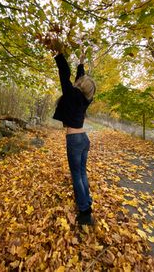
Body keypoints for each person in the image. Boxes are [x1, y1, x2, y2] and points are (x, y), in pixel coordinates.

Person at [51, 41, 96, 225]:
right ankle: (87, 204)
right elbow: (79, 78)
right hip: (84, 139)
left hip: (75, 140)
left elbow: (64, 74)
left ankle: (85, 212)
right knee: (82, 174)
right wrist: (80, 63)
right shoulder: (85, 98)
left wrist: (59, 55)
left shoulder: (72, 95)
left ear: (80, 84)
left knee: (77, 175)